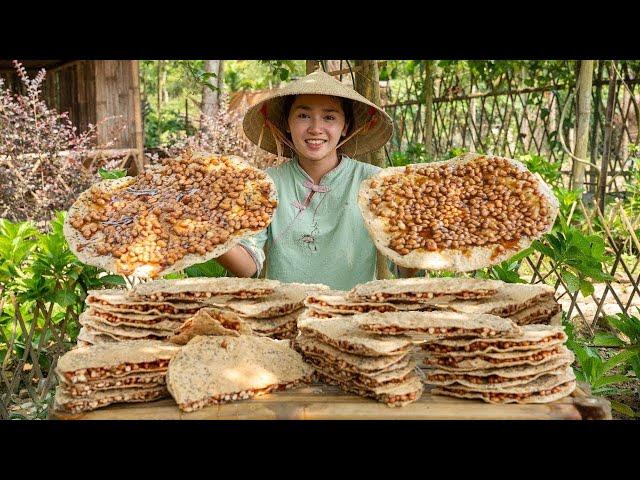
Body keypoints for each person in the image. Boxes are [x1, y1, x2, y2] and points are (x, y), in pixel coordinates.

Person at [215, 70, 414, 290]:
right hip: (284, 314)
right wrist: (206, 231)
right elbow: (247, 265)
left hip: (352, 314)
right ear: (287, 124)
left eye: (329, 117)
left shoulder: (374, 183)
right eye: (303, 116)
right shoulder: (267, 185)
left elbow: (404, 265)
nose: (316, 128)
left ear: (345, 126)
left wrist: (417, 230)